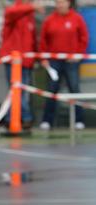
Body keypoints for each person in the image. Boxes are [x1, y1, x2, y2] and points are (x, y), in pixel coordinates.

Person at [39, 0, 88, 130]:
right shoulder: (49, 20)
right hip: (54, 62)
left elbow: (84, 38)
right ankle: (47, 121)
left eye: (63, 2)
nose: (60, 5)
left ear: (68, 3)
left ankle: (79, 120)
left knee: (75, 89)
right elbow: (43, 40)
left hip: (71, 62)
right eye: (58, 2)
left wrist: (78, 55)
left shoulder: (77, 19)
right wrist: (44, 58)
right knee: (52, 90)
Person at [0, 0, 44, 130]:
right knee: (16, 91)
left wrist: (36, 57)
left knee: (20, 92)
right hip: (13, 61)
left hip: (26, 61)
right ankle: (24, 118)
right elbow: (10, 12)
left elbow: (33, 39)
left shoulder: (30, 17)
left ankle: (11, 118)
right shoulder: (14, 12)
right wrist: (32, 7)